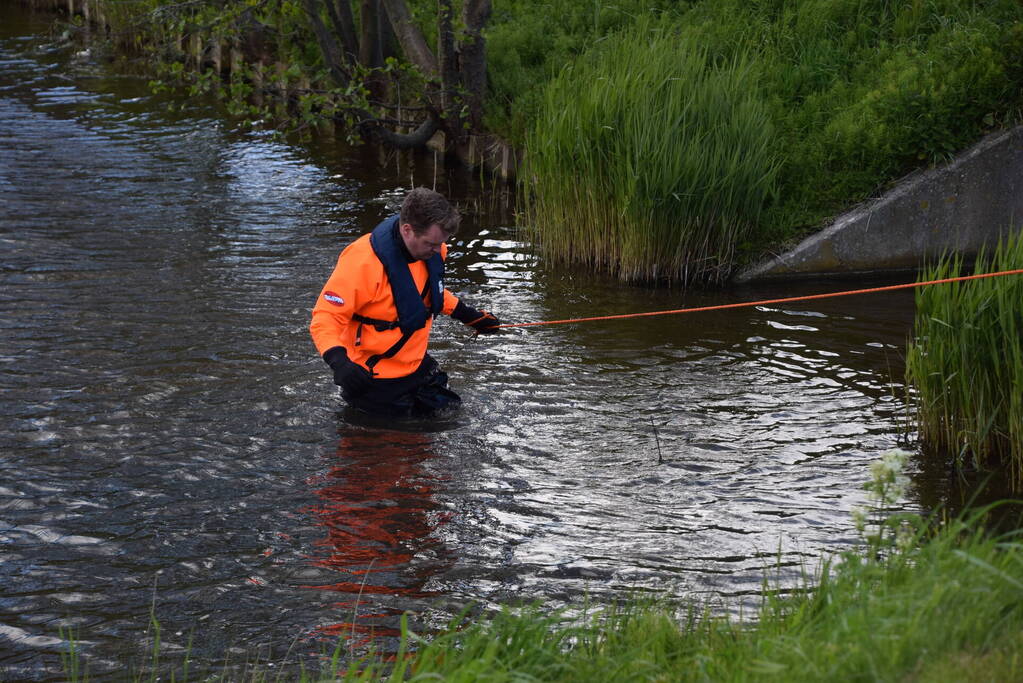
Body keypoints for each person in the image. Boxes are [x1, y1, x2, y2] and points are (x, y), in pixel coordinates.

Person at [310, 187, 500, 416]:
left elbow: (425, 289)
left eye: (441, 243)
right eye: (431, 243)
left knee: (450, 418)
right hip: (372, 379)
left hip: (416, 367)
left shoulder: (432, 249)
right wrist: (339, 362)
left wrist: (467, 314)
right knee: (391, 446)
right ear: (407, 230)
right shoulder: (361, 262)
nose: (437, 249)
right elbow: (326, 316)